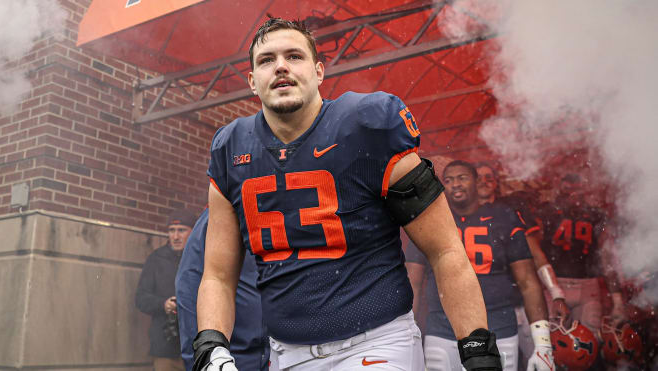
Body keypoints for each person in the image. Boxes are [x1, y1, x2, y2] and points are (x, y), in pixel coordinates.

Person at [193, 18, 503, 371]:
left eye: (294, 56)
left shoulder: (368, 125)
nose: (280, 66)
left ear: (320, 71)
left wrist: (476, 345)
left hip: (378, 343)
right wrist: (211, 345)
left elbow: (445, 248)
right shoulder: (231, 149)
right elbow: (217, 274)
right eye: (266, 60)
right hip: (286, 353)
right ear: (251, 81)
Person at [406, 160, 554, 371]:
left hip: (498, 327)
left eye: (462, 178)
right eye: (448, 180)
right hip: (442, 329)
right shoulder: (430, 220)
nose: (455, 184)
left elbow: (528, 281)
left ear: (477, 182)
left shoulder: (504, 218)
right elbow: (413, 282)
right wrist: (408, 335)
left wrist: (542, 342)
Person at [475, 163, 569, 369]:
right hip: (488, 307)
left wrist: (556, 293)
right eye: (479, 177)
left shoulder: (509, 211)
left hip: (523, 302)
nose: (483, 181)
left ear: (496, 183)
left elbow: (536, 253)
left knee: (540, 359)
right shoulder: (460, 214)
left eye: (488, 177)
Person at [175, 208, 270, 370]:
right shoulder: (222, 215)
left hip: (280, 354)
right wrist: (201, 360)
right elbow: (189, 288)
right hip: (233, 357)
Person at [538, 174, 625, 336]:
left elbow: (606, 256)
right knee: (555, 344)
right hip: (555, 285)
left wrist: (617, 299)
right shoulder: (545, 212)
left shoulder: (595, 215)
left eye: (576, 191)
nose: (572, 197)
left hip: (583, 286)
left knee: (587, 344)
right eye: (567, 191)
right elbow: (535, 253)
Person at [136, 209, 196, 371]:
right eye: (171, 230)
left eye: (181, 230)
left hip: (196, 346)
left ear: (193, 231)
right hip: (165, 346)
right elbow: (141, 298)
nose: (175, 236)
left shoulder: (201, 259)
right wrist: (164, 304)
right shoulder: (156, 259)